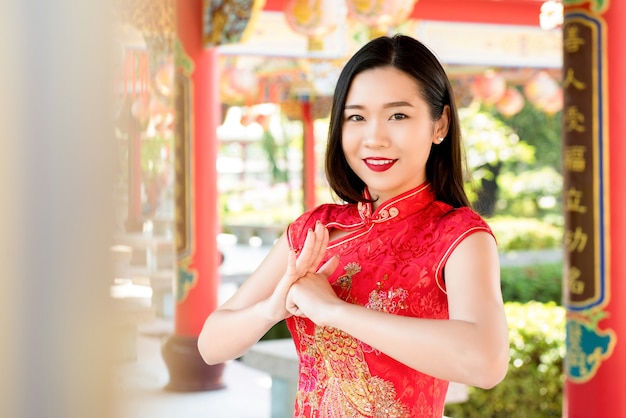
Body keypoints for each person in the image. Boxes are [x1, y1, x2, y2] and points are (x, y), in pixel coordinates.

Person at [198, 34, 509, 417]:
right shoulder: (315, 230)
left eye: (398, 115)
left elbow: (486, 361)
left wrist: (335, 312)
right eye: (356, 117)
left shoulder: (459, 235)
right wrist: (273, 307)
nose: (374, 138)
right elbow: (211, 345)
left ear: (439, 123)